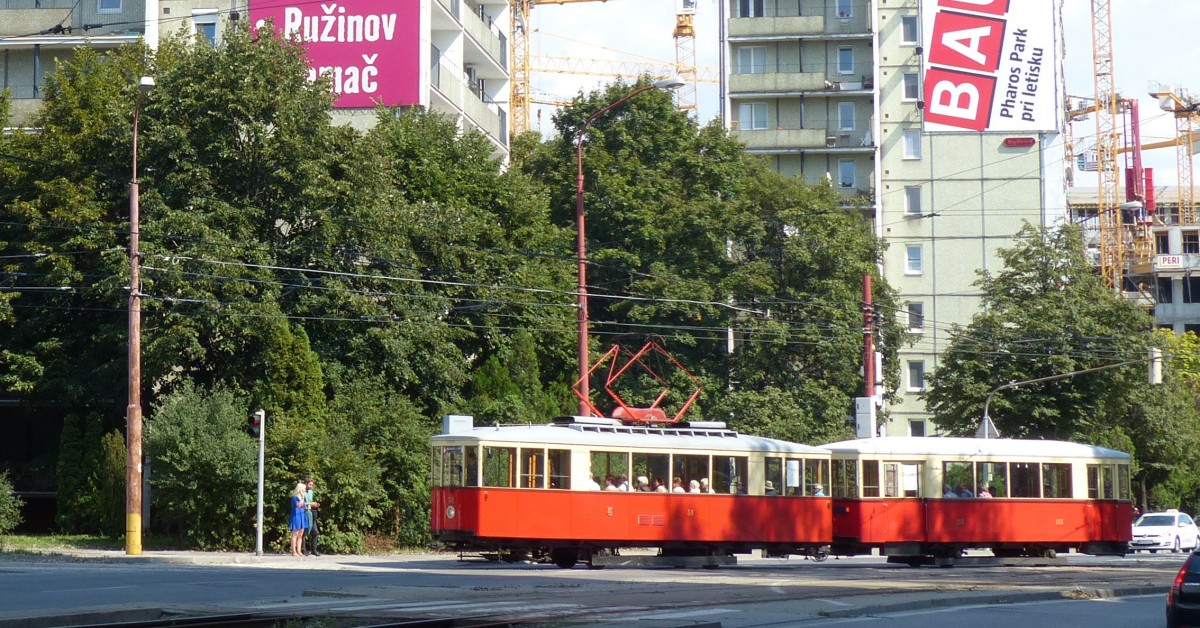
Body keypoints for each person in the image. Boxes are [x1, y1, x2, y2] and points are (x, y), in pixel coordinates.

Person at [303, 477, 322, 556]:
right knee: (303, 532)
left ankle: (314, 549)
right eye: (310, 485)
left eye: (312, 485)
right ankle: (303, 549)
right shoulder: (302, 491)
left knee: (315, 532)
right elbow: (302, 503)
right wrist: (311, 504)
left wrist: (315, 504)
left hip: (311, 513)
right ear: (306, 484)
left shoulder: (311, 492)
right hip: (304, 513)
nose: (311, 486)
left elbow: (310, 502)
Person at [288, 482, 307, 557]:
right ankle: (294, 551)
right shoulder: (295, 497)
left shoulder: (303, 498)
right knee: (295, 534)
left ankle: (299, 551)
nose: (305, 490)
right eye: (304, 489)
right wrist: (302, 498)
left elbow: (304, 506)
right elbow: (298, 505)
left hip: (302, 515)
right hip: (296, 515)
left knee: (300, 534)